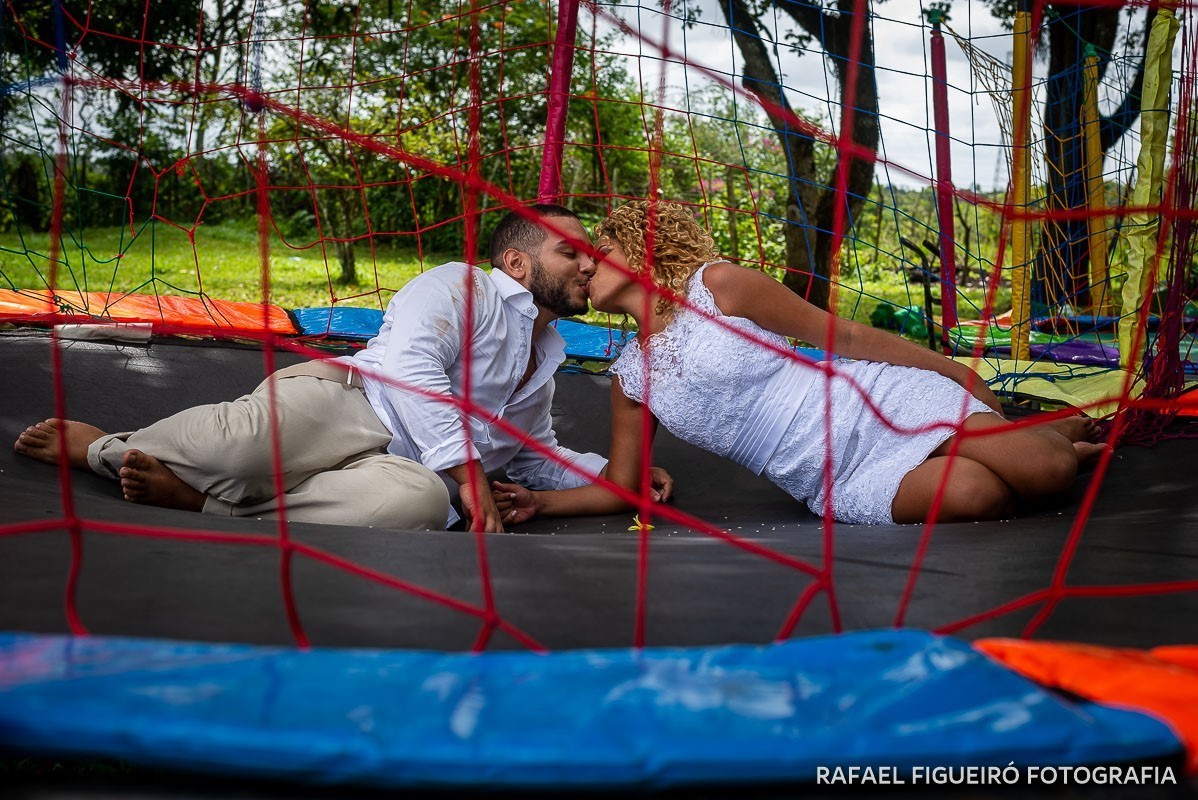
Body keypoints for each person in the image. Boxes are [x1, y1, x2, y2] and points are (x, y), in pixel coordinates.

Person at [13, 204, 672, 532]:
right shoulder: (461, 285)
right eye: (571, 252)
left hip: (409, 468)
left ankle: (204, 502)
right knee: (240, 448)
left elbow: (533, 453)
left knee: (417, 506)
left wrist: (613, 472)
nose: (589, 264)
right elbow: (412, 367)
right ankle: (105, 448)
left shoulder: (547, 358)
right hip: (351, 403)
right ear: (518, 264)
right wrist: (471, 477)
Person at [491, 200, 1105, 526]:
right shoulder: (631, 379)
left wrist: (956, 371)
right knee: (974, 495)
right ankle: (1019, 440)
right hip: (834, 477)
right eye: (579, 258)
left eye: (600, 251)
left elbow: (845, 336)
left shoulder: (719, 286)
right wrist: (540, 503)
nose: (586, 266)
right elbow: (624, 489)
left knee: (1048, 470)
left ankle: (1051, 439)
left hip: (877, 404)